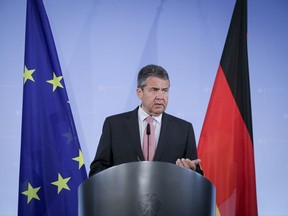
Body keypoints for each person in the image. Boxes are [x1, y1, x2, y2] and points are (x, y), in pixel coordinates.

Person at [89, 64, 203, 177]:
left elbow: (197, 175)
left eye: (164, 90)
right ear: (139, 92)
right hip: (125, 194)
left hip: (167, 195)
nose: (160, 96)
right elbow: (97, 170)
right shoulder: (114, 125)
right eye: (154, 90)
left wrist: (189, 171)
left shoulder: (184, 129)